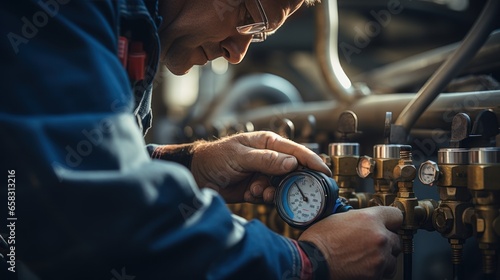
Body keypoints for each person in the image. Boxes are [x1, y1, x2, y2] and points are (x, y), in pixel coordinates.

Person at [0, 0, 403, 279]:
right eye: (247, 15)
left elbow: (44, 163)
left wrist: (189, 166)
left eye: (258, 33)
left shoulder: (129, 22)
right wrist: (311, 261)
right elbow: (100, 212)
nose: (238, 52)